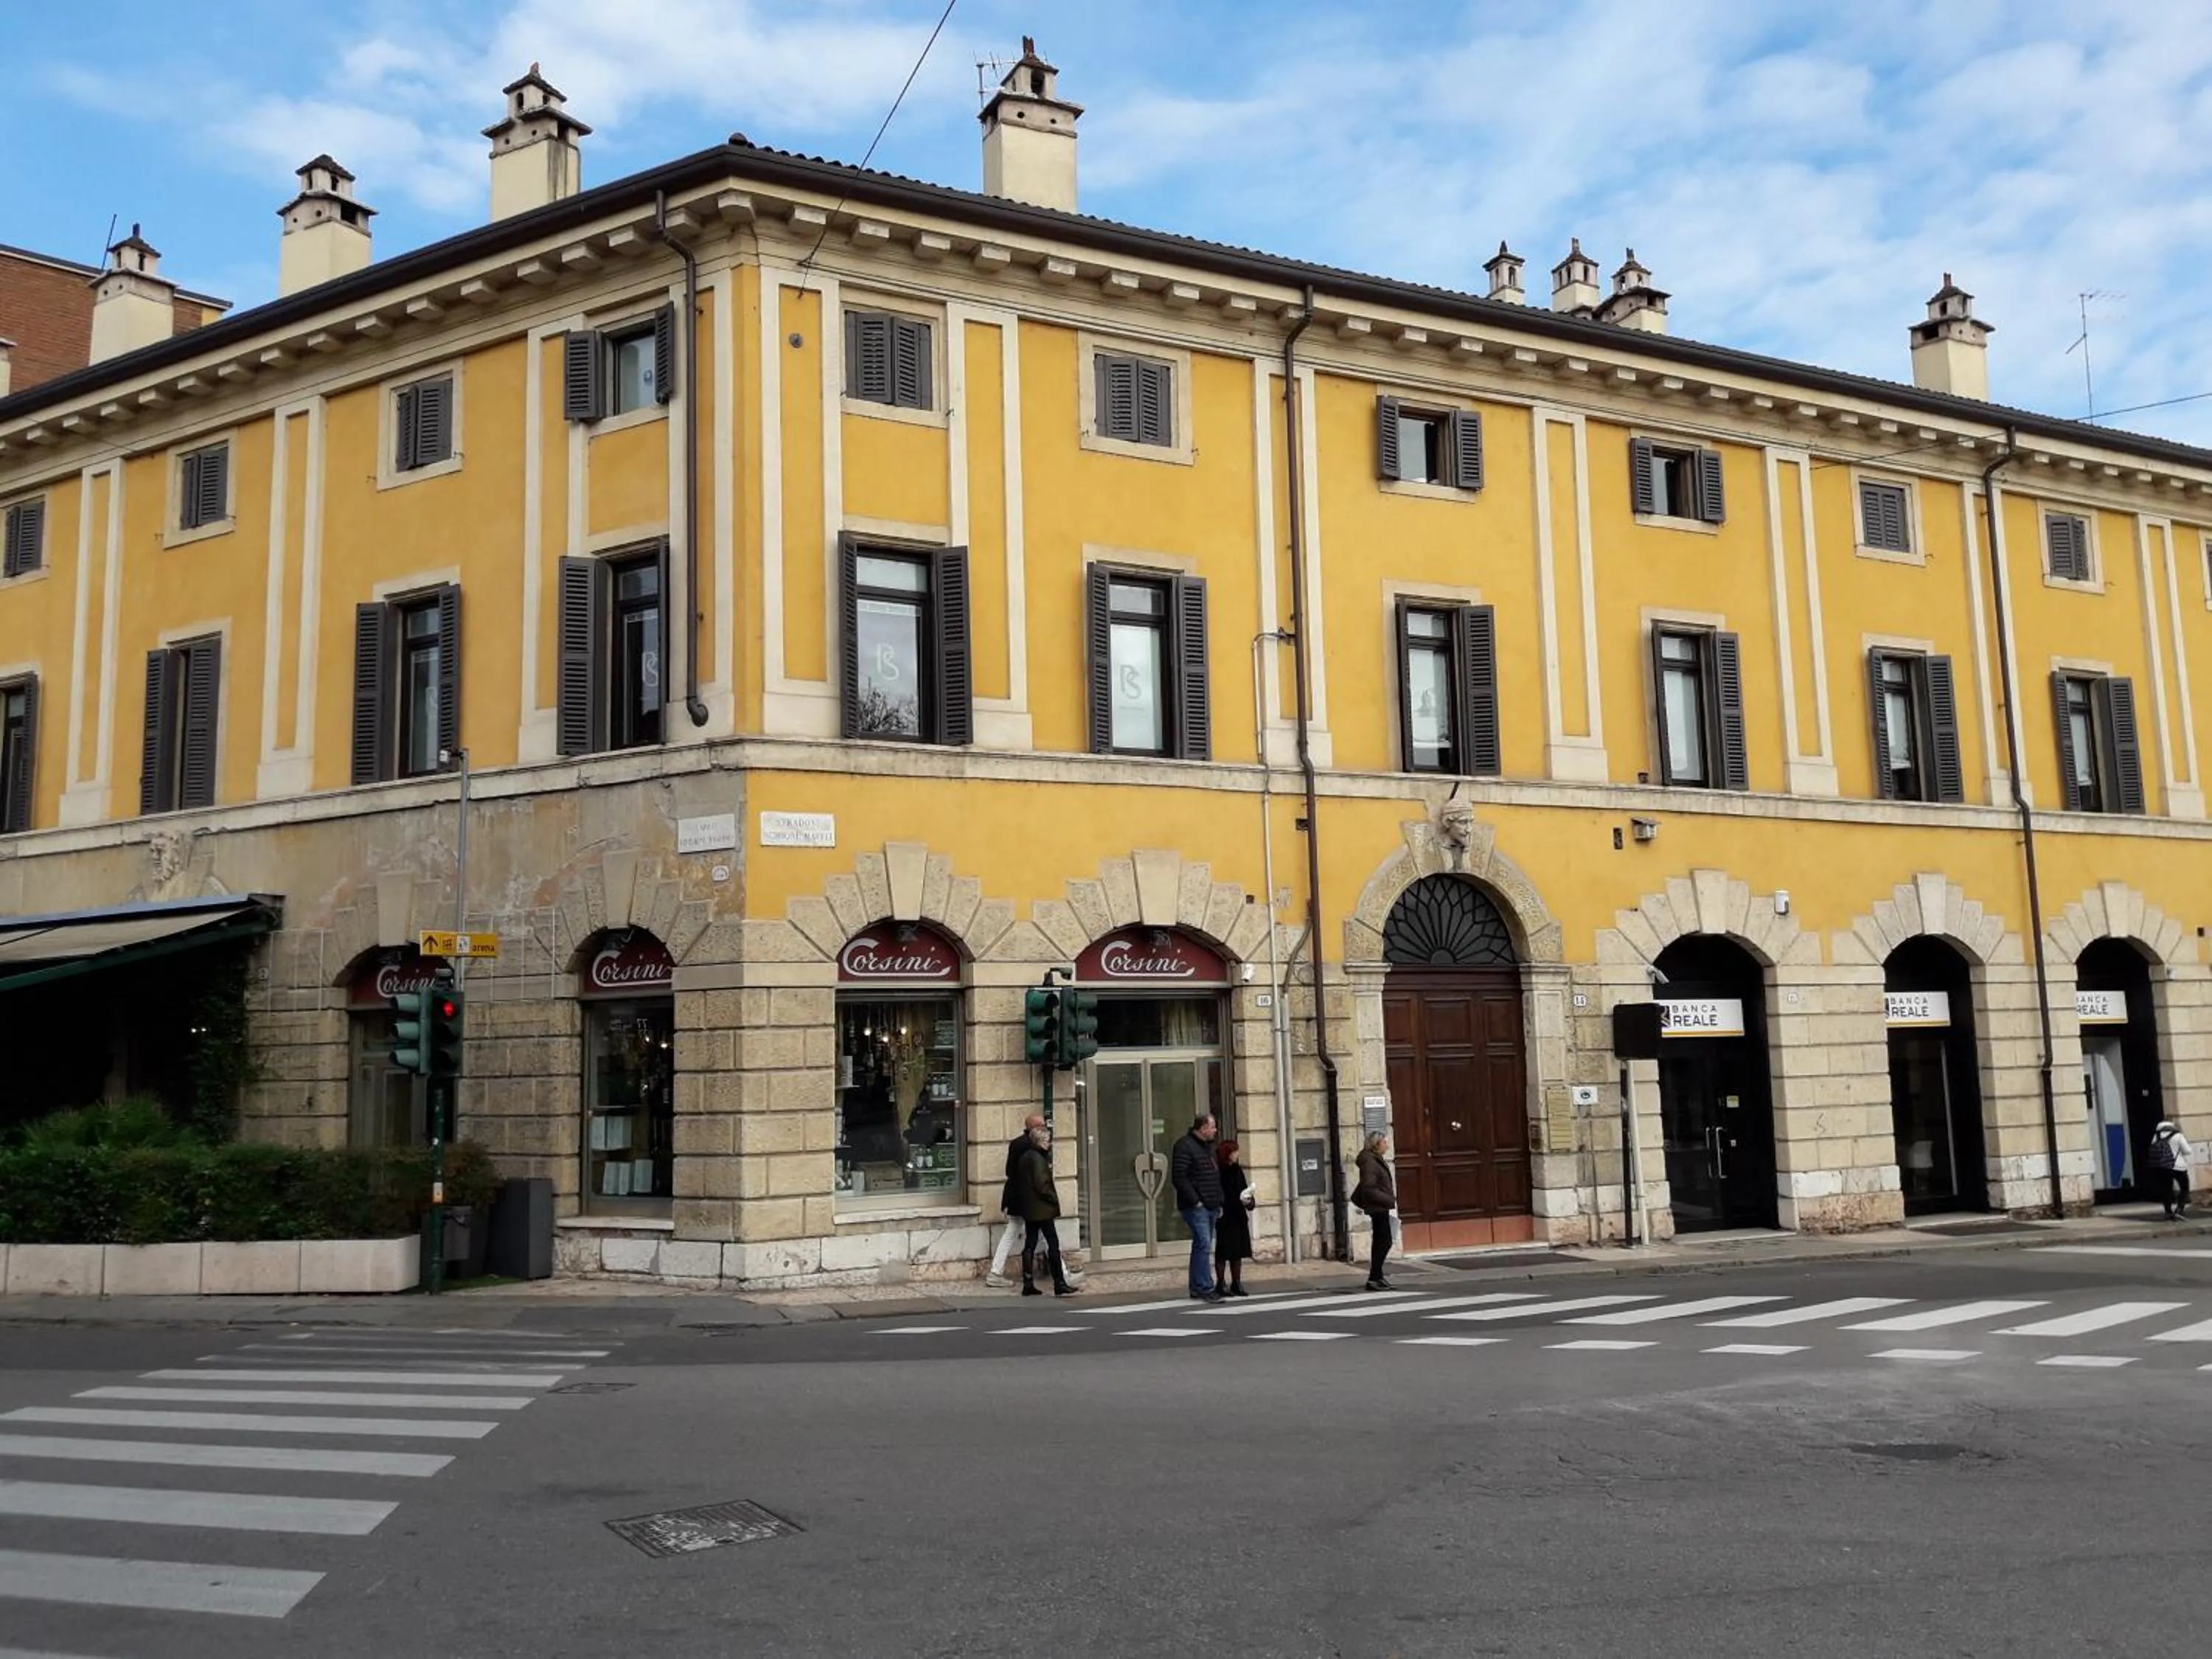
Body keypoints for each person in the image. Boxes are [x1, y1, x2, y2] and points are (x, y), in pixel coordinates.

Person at [1010, 1122, 1077, 1296]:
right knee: (1052, 1244)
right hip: (1042, 1208)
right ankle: (1059, 1282)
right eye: (1047, 1140)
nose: (1049, 1143)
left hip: (1030, 1207)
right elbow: (1042, 1184)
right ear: (1039, 1141)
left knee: (1030, 1244)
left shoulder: (1026, 1156)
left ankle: (1028, 1281)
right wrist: (1053, 1198)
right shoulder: (1038, 1158)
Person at [986, 1113, 1048, 1287]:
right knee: (1046, 1233)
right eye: (1042, 1126)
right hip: (1028, 1198)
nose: (1045, 1129)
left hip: (1016, 1197)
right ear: (1033, 1128)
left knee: (1017, 1233)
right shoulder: (1032, 1146)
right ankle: (1063, 1274)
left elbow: (1009, 1172)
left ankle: (995, 1272)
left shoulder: (1017, 1143)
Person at [1170, 1113, 1225, 1302]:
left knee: (1201, 1245)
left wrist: (1219, 1201)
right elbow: (1180, 1177)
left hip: (1210, 1203)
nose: (1215, 1131)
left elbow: (1213, 1176)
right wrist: (1195, 1201)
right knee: (1203, 1243)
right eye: (1213, 1127)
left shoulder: (1207, 1148)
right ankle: (1204, 1286)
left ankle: (1196, 1286)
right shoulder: (1185, 1146)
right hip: (1196, 1206)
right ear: (1202, 1128)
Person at [1352, 1129, 1397, 1290]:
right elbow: (1369, 1187)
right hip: (1377, 1206)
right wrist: (1389, 1199)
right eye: (1385, 1142)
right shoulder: (1371, 1162)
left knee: (1381, 1241)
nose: (1387, 1145)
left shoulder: (1375, 1159)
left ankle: (1377, 1276)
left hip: (1380, 1206)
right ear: (1377, 1144)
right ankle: (1374, 1277)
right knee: (1384, 1241)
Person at [1214, 1137, 1256, 1297]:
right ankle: (1220, 1282)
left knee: (1237, 1251)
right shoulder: (1219, 1171)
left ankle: (1236, 1282)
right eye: (1235, 1151)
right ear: (1228, 1154)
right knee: (1223, 1250)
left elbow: (1244, 1189)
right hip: (1225, 1214)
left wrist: (1249, 1200)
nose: (1237, 1154)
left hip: (1238, 1213)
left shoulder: (1237, 1170)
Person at [2149, 1119, 2194, 1220]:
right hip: (2178, 1166)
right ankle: (2180, 1208)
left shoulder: (2156, 1136)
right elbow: (2187, 1151)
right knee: (2184, 1187)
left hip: (2163, 1167)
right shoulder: (2178, 1136)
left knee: (2166, 1189)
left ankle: (2168, 1211)